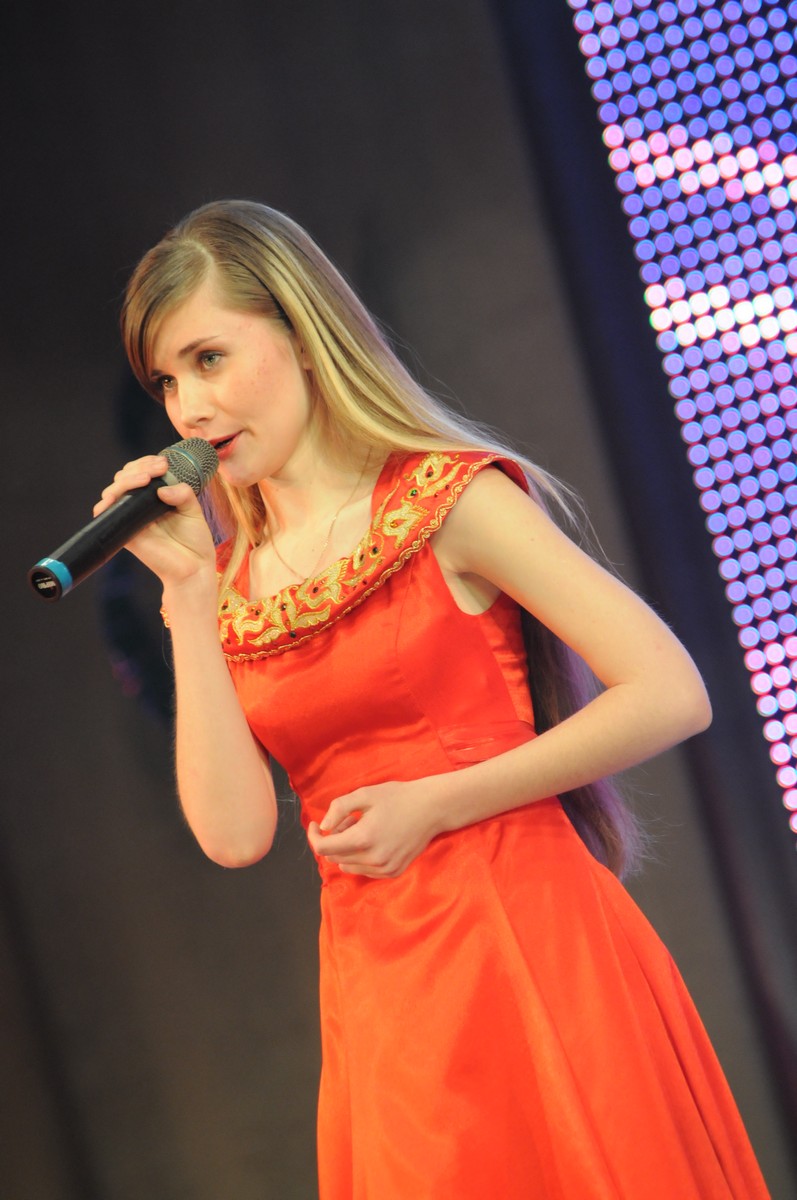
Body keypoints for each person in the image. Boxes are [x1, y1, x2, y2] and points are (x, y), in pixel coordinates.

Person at [96, 199, 770, 1199]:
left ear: (301, 334)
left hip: (529, 938)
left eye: (208, 358)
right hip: (384, 988)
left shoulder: (445, 500)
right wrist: (190, 597)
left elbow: (669, 690)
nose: (188, 408)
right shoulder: (232, 580)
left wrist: (438, 801)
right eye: (166, 381)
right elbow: (233, 836)